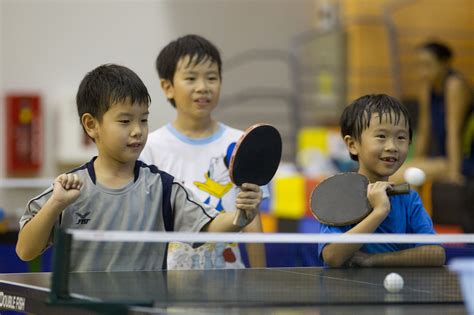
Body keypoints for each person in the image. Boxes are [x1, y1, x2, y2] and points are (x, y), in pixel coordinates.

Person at [15, 64, 263, 272]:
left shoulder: (163, 187)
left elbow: (206, 228)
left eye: (143, 119)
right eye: (125, 121)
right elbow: (25, 250)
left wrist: (241, 217)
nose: (137, 130)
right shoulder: (68, 189)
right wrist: (56, 205)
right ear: (91, 125)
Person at [140, 34, 267, 269]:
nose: (203, 87)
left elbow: (252, 219)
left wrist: (261, 281)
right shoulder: (149, 149)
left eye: (211, 77)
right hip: (168, 286)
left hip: (231, 284)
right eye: (191, 78)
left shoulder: (242, 143)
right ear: (167, 87)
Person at [318, 94, 445, 268]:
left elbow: (436, 254)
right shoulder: (338, 196)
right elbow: (332, 256)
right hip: (347, 294)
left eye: (401, 137)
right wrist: (380, 211)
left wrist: (374, 260)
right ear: (352, 144)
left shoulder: (409, 199)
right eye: (381, 136)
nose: (392, 146)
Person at [393, 41, 473, 184]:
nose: (422, 72)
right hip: (442, 157)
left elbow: (453, 131)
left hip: (463, 159)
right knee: (400, 173)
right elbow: (424, 132)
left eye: (428, 65)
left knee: (396, 175)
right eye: (419, 66)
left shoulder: (454, 85)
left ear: (445, 64)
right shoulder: (427, 87)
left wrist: (454, 173)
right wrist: (416, 161)